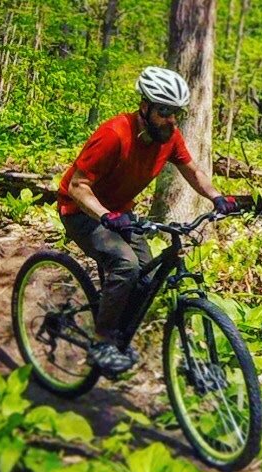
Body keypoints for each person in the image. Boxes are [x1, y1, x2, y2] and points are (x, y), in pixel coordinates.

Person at [57, 66, 238, 375]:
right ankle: (101, 342)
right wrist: (105, 216)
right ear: (145, 106)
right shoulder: (114, 134)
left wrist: (216, 196)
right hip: (81, 212)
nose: (170, 119)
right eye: (164, 111)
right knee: (126, 264)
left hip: (121, 214)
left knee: (146, 276)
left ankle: (116, 329)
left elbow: (192, 170)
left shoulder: (169, 137)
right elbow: (77, 186)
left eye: (175, 113)